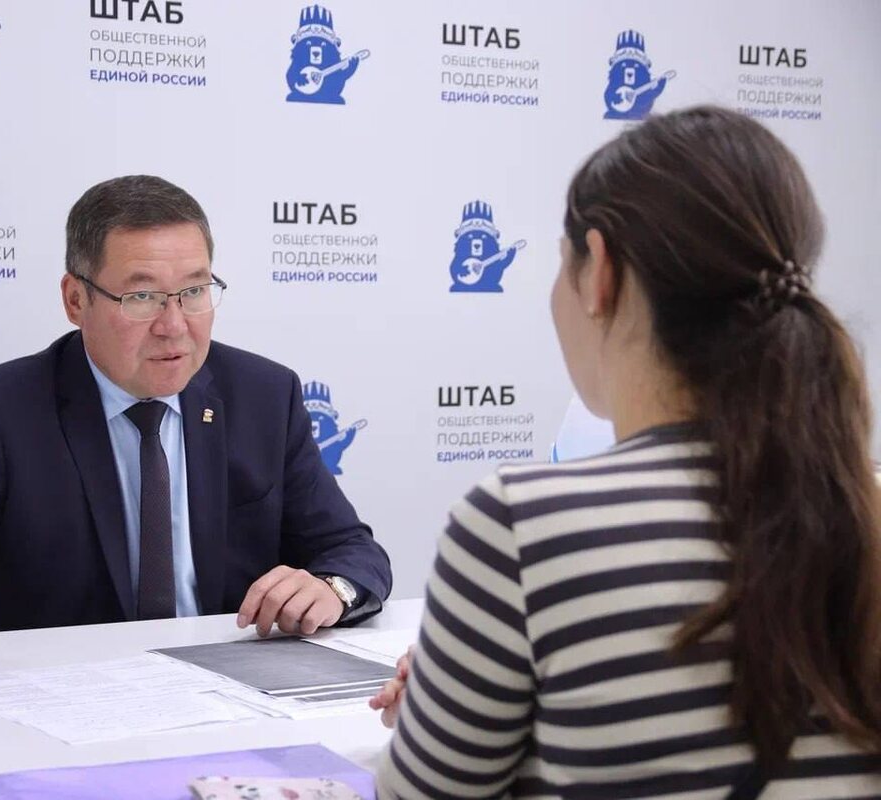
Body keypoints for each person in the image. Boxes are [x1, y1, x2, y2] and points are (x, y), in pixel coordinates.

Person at [371, 106, 881, 797]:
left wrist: (454, 725)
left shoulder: (520, 525)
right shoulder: (860, 510)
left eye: (561, 264)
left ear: (598, 272)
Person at [0, 175, 392, 664]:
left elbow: (353, 550)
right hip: (66, 693)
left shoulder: (264, 395)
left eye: (194, 291)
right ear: (75, 300)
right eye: (142, 297)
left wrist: (332, 589)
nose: (174, 325)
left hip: (230, 686)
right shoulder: (1, 410)